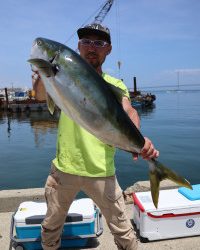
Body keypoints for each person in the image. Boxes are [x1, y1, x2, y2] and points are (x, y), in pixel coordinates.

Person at [32, 23, 159, 250]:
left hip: (102, 172)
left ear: (108, 49)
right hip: (64, 169)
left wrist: (139, 139)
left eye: (99, 43)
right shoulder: (62, 77)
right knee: (51, 227)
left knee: (124, 234)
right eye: (87, 41)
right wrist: (43, 74)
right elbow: (42, 96)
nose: (92, 47)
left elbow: (129, 111)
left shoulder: (115, 85)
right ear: (78, 46)